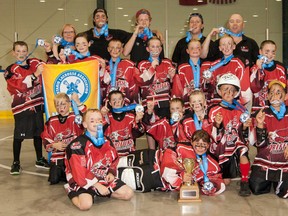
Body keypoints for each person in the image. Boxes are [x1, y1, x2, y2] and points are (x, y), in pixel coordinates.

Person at [65, 109, 134, 211]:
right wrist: (97, 185)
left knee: (128, 194)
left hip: (101, 177)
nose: (97, 123)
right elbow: (79, 172)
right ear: (85, 124)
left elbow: (114, 159)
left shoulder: (107, 140)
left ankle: (99, 193)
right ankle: (70, 189)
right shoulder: (77, 145)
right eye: (92, 121)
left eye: (99, 120)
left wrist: (110, 173)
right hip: (81, 180)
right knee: (85, 205)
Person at [4, 41, 49, 175]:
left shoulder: (35, 62)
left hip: (37, 105)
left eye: (24, 51)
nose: (21, 54)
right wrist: (35, 75)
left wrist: (49, 50)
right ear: (13, 53)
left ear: (28, 51)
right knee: (19, 136)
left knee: (38, 134)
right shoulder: (9, 70)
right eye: (18, 51)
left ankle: (39, 159)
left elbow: (49, 65)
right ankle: (16, 162)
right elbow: (19, 86)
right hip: (21, 108)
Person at [207, 73, 251, 196]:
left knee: (242, 150)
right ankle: (225, 170)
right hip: (222, 146)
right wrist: (218, 124)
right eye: (225, 89)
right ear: (219, 91)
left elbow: (244, 134)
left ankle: (245, 180)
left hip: (236, 142)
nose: (228, 92)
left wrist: (245, 127)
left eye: (232, 89)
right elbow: (213, 135)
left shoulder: (240, 109)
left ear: (236, 92)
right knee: (226, 182)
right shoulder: (214, 110)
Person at [249, 80, 288, 198]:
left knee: (284, 192)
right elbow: (259, 144)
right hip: (265, 161)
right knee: (256, 188)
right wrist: (259, 124)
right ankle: (272, 180)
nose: (274, 95)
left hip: (285, 162)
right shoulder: (261, 113)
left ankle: (280, 181)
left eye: (278, 92)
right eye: (271, 92)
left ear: (286, 96)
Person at [135, 37, 176, 149]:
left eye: (158, 46)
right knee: (150, 128)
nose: (156, 49)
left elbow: (173, 84)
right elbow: (142, 81)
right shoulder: (142, 64)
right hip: (149, 102)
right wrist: (152, 67)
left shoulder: (167, 62)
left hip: (164, 102)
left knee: (165, 129)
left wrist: (172, 77)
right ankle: (152, 154)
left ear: (161, 48)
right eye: (153, 46)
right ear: (148, 49)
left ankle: (165, 154)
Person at [160, 130, 225, 195]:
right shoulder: (180, 148)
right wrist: (181, 177)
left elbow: (218, 181)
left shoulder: (213, 163)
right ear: (191, 142)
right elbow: (167, 170)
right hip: (156, 173)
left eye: (204, 145)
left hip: (187, 189)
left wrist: (211, 186)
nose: (200, 148)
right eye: (197, 144)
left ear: (208, 145)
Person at [41, 92, 86, 184]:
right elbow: (45, 137)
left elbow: (87, 116)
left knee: (76, 179)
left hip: (73, 156)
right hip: (58, 157)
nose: (60, 107)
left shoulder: (75, 117)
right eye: (57, 105)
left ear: (69, 104)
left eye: (63, 104)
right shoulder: (51, 121)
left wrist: (78, 102)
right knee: (54, 180)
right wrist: (54, 145)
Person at [201, 34, 251, 108]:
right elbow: (208, 89)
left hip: (232, 103)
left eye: (229, 44)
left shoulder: (238, 64)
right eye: (223, 44)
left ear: (234, 46)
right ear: (220, 48)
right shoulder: (214, 65)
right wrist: (208, 81)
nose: (226, 47)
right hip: (216, 103)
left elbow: (241, 87)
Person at [101, 90, 145, 157]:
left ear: (123, 101)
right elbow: (99, 134)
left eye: (119, 99)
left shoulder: (131, 116)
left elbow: (140, 133)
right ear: (109, 103)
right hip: (112, 156)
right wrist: (102, 116)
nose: (117, 101)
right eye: (114, 100)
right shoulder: (107, 117)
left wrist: (137, 121)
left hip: (129, 154)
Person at [250, 40, 287, 111]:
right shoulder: (254, 68)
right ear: (260, 52)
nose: (270, 55)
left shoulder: (281, 68)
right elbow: (254, 88)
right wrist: (258, 69)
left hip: (277, 108)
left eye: (273, 52)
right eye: (267, 52)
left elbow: (285, 90)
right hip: (259, 109)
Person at [102, 39, 139, 104]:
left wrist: (134, 102)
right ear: (108, 49)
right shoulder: (103, 65)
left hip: (125, 103)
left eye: (118, 48)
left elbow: (137, 83)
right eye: (112, 48)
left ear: (122, 49)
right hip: (107, 103)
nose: (115, 50)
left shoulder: (129, 64)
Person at [172, 39, 204, 108]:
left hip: (202, 102)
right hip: (187, 102)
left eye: (197, 48)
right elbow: (178, 87)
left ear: (201, 50)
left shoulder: (206, 66)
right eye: (192, 48)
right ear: (187, 51)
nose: (195, 50)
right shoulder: (182, 67)